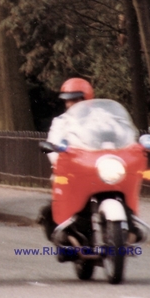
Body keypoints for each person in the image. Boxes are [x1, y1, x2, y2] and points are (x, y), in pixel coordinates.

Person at [37, 77, 94, 242]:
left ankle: (129, 224)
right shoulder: (61, 122)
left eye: (76, 99)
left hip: (98, 169)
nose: (71, 104)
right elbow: (53, 145)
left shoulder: (101, 119)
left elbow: (114, 136)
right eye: (68, 101)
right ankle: (64, 232)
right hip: (73, 171)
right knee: (59, 196)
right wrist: (60, 161)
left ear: (87, 99)